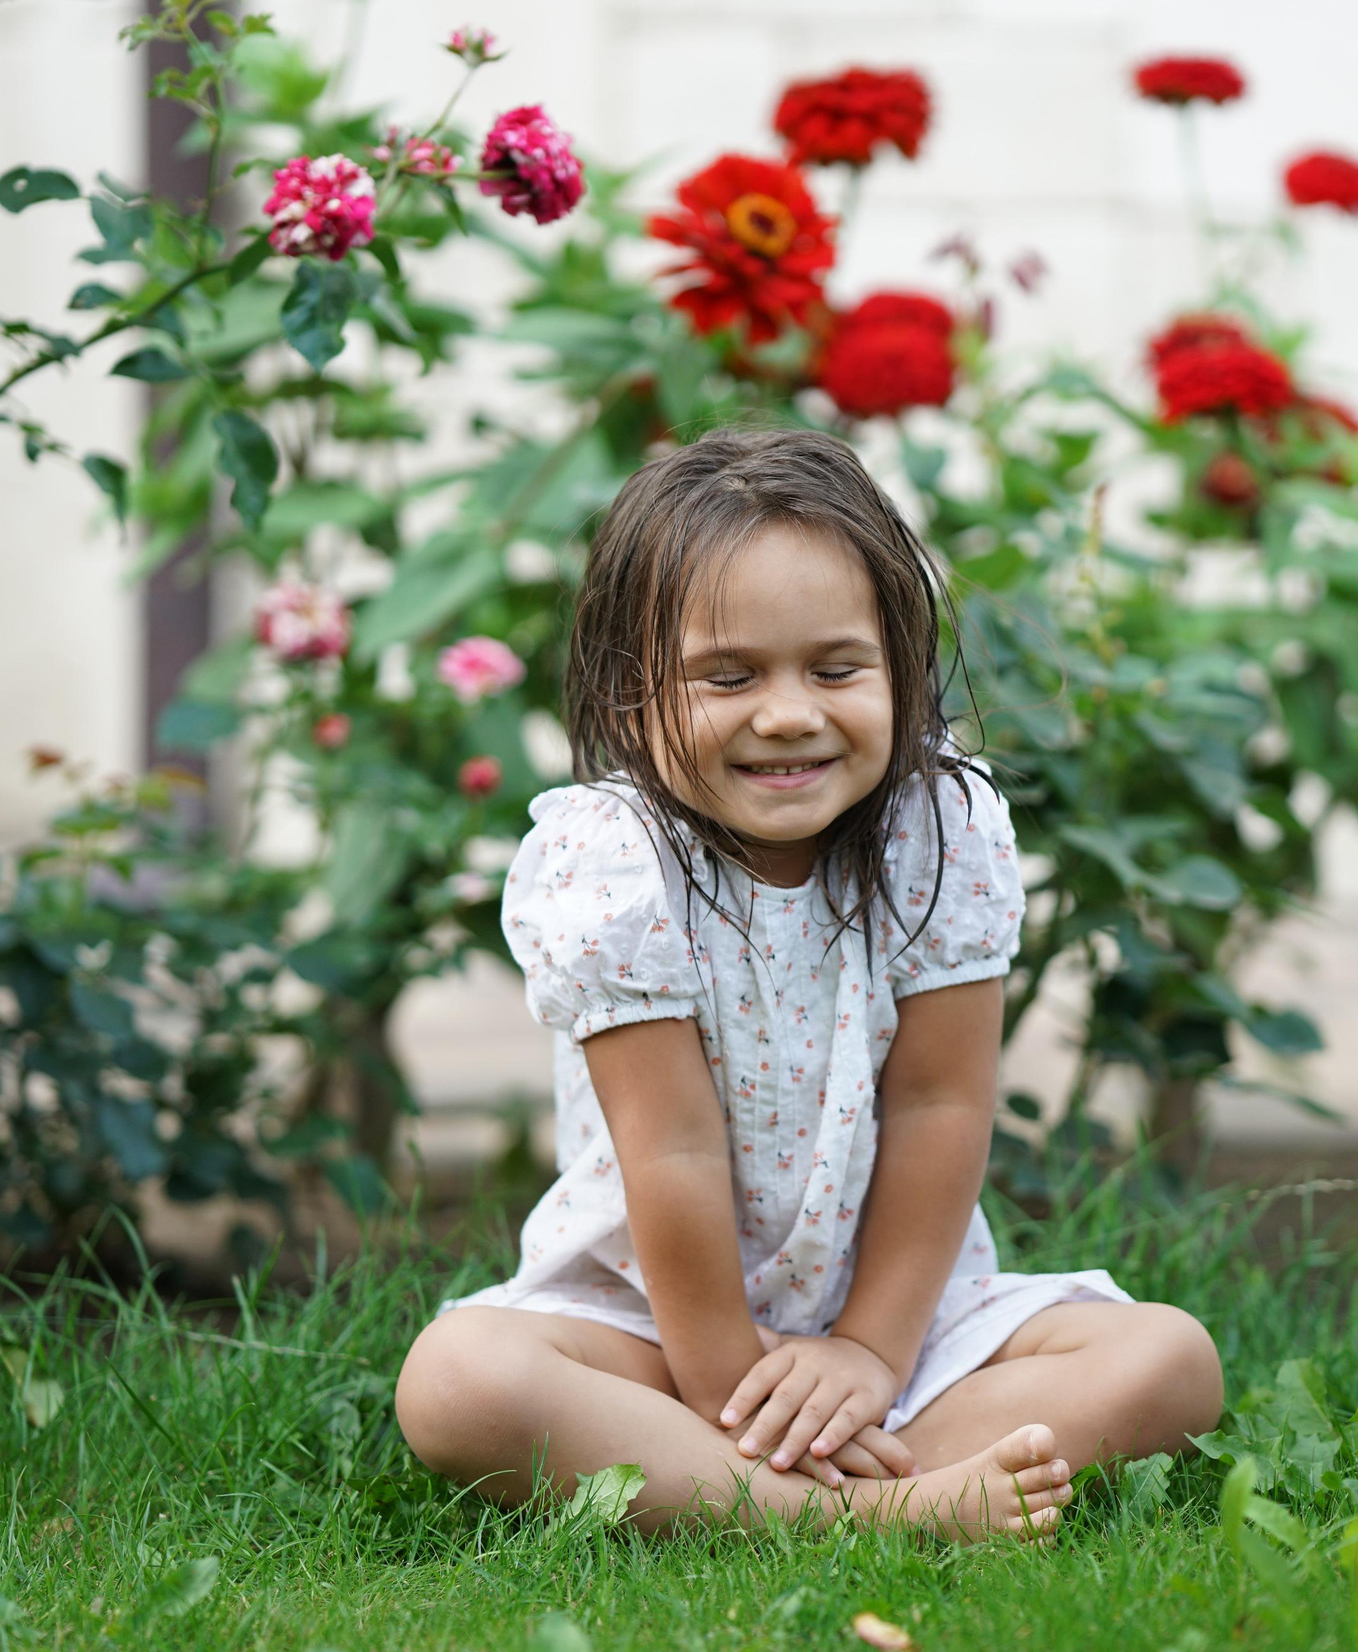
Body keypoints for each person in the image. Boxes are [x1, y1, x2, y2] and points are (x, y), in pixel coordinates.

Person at [395, 428, 1223, 1539]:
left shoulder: (942, 829)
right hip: (650, 1324)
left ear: (898, 663)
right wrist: (732, 1383)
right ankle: (876, 1509)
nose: (788, 713)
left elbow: (940, 1104)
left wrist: (870, 1351)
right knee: (460, 1381)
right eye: (727, 676)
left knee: (1167, 1358)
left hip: (906, 1320)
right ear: (634, 696)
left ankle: (767, 1486)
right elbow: (670, 1150)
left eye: (835, 669)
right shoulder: (615, 863)